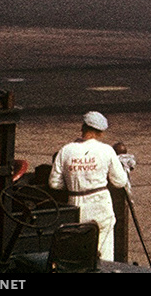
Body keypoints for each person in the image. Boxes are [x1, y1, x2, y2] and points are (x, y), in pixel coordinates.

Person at [48, 111, 130, 262]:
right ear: (101, 132)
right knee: (104, 253)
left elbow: (54, 183)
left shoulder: (66, 150)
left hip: (75, 204)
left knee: (78, 253)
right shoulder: (106, 150)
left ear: (83, 128)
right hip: (100, 204)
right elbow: (120, 181)